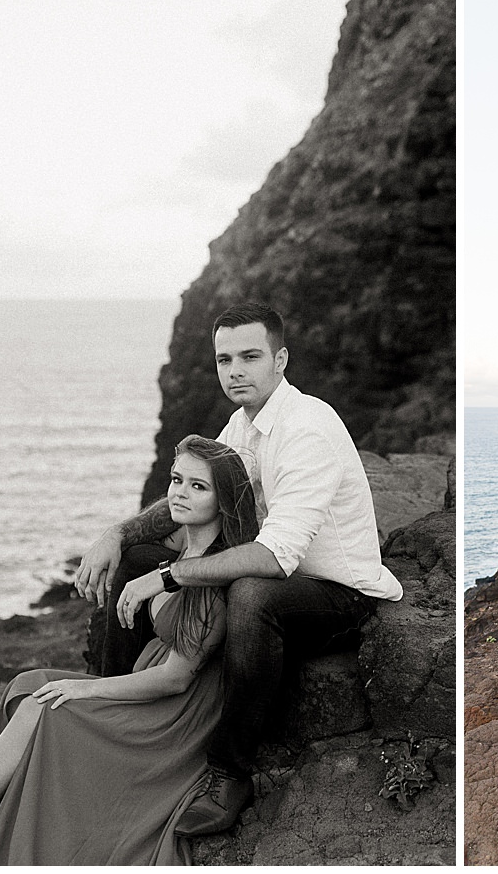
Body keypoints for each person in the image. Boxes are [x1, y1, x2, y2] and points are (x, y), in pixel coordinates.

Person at [76, 302, 403, 837]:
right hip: (280, 577)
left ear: (281, 359)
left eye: (250, 356)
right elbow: (196, 495)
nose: (235, 371)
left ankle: (230, 772)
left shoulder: (307, 429)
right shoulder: (242, 425)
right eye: (224, 359)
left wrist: (167, 577)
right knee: (135, 557)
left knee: (251, 591)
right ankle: (111, 711)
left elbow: (275, 558)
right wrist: (118, 534)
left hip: (338, 593)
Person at [0, 435, 260, 865]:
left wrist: (87, 691)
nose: (179, 493)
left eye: (197, 486)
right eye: (175, 479)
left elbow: (175, 678)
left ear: (222, 499)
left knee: (46, 707)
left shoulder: (213, 569)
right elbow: (137, 538)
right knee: (26, 686)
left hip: (175, 716)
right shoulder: (182, 543)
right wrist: (112, 537)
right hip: (152, 687)